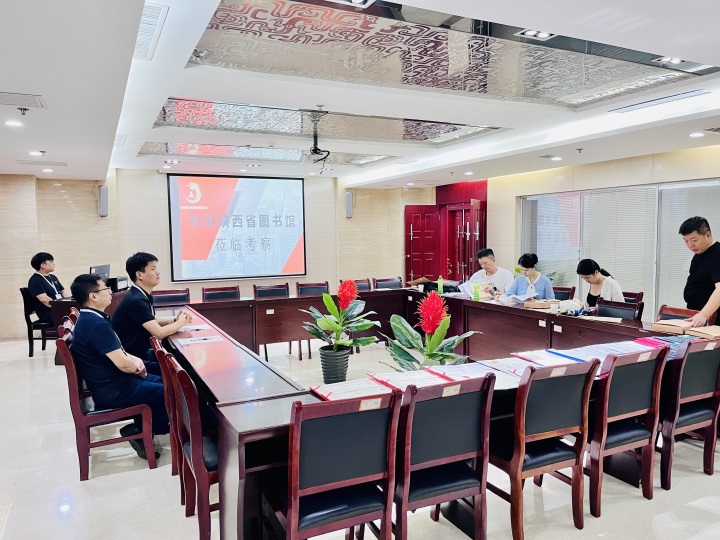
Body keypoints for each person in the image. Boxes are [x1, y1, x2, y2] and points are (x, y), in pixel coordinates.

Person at [69, 274, 167, 459]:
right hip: (114, 391)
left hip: (114, 383)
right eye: (105, 288)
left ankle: (148, 428)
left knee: (167, 381)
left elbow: (118, 351)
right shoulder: (96, 324)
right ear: (93, 296)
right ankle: (144, 430)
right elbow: (122, 363)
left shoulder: (91, 318)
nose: (110, 292)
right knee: (168, 390)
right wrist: (137, 368)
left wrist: (136, 362)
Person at [112, 252, 191, 371]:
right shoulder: (136, 300)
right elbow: (159, 333)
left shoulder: (140, 294)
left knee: (178, 361)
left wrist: (174, 319)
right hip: (133, 360)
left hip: (140, 353)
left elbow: (151, 319)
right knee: (178, 369)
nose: (158, 273)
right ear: (139, 275)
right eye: (153, 269)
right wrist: (181, 322)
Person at [679, 216, 720, 327]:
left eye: (694, 240)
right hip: (697, 316)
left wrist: (704, 314)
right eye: (686, 241)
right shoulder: (699, 254)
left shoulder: (717, 253)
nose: (690, 245)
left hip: (713, 319)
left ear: (708, 235)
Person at [27, 252, 69, 323]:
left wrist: (69, 303)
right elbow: (44, 300)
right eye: (51, 262)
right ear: (43, 265)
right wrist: (61, 308)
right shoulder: (35, 280)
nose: (54, 264)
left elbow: (63, 291)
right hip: (48, 313)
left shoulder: (53, 277)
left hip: (59, 309)